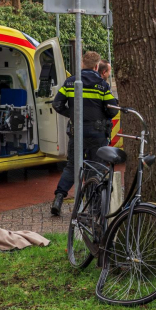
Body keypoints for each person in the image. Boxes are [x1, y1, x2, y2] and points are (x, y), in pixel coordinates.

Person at [50, 51, 118, 216]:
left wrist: (73, 115)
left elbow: (57, 104)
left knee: (72, 166)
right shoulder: (102, 85)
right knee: (95, 167)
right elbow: (113, 109)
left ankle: (58, 198)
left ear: (82, 64)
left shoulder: (70, 82)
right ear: (96, 66)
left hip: (77, 133)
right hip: (97, 134)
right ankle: (93, 206)